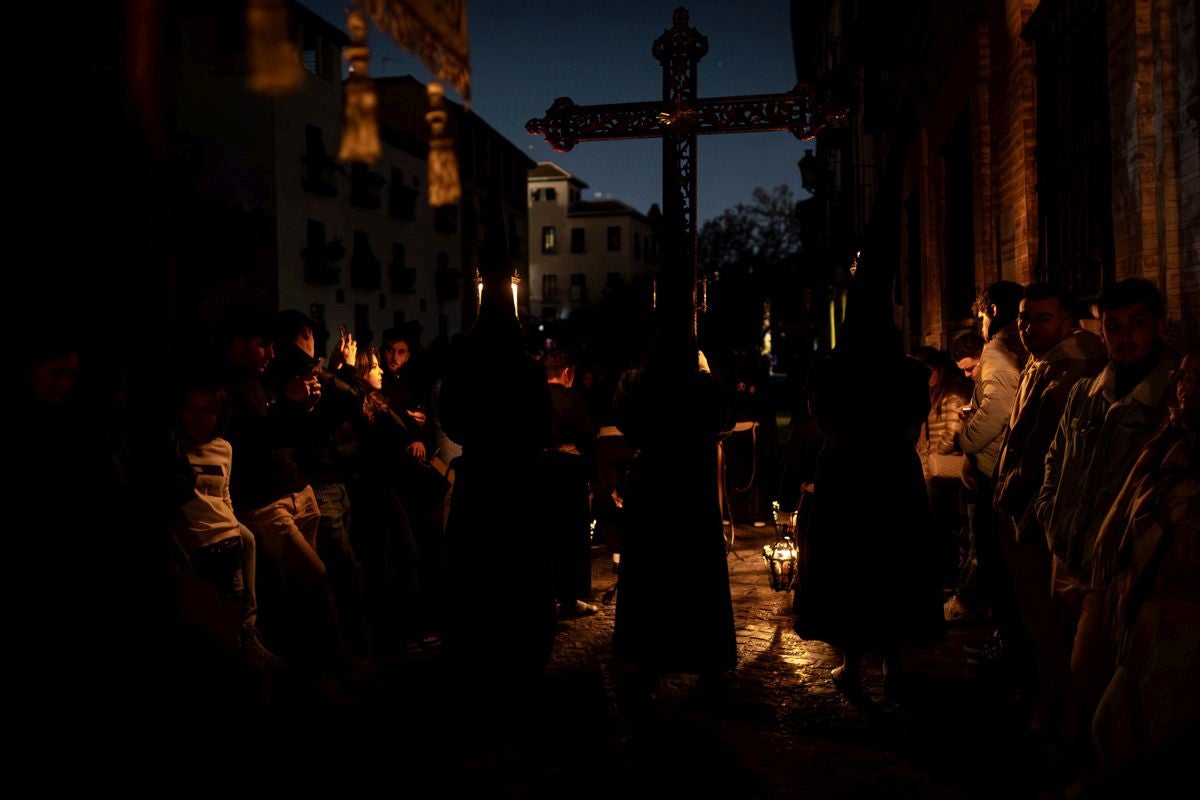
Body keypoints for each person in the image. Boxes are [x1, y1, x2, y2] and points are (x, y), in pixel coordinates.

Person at [1034, 277, 1177, 762]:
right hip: (1065, 557)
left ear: (1160, 326)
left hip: (1115, 572)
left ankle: (1087, 771)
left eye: (1138, 323)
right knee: (1065, 675)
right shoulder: (1085, 393)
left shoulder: (1170, 402)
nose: (1125, 335)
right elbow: (1056, 457)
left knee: (1098, 686)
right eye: (1114, 325)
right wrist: (1051, 512)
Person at [792, 311, 943, 696]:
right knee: (892, 565)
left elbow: (820, 416)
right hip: (894, 474)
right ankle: (891, 663)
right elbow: (913, 422)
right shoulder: (908, 371)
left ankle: (853, 663)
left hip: (846, 473)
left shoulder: (828, 370)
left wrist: (848, 439)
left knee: (849, 566)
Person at [1082, 350, 1198, 791]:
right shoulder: (1170, 435)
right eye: (1185, 376)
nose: (1187, 387)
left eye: (1198, 379)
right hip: (1143, 600)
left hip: (1181, 613)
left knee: (1131, 729)